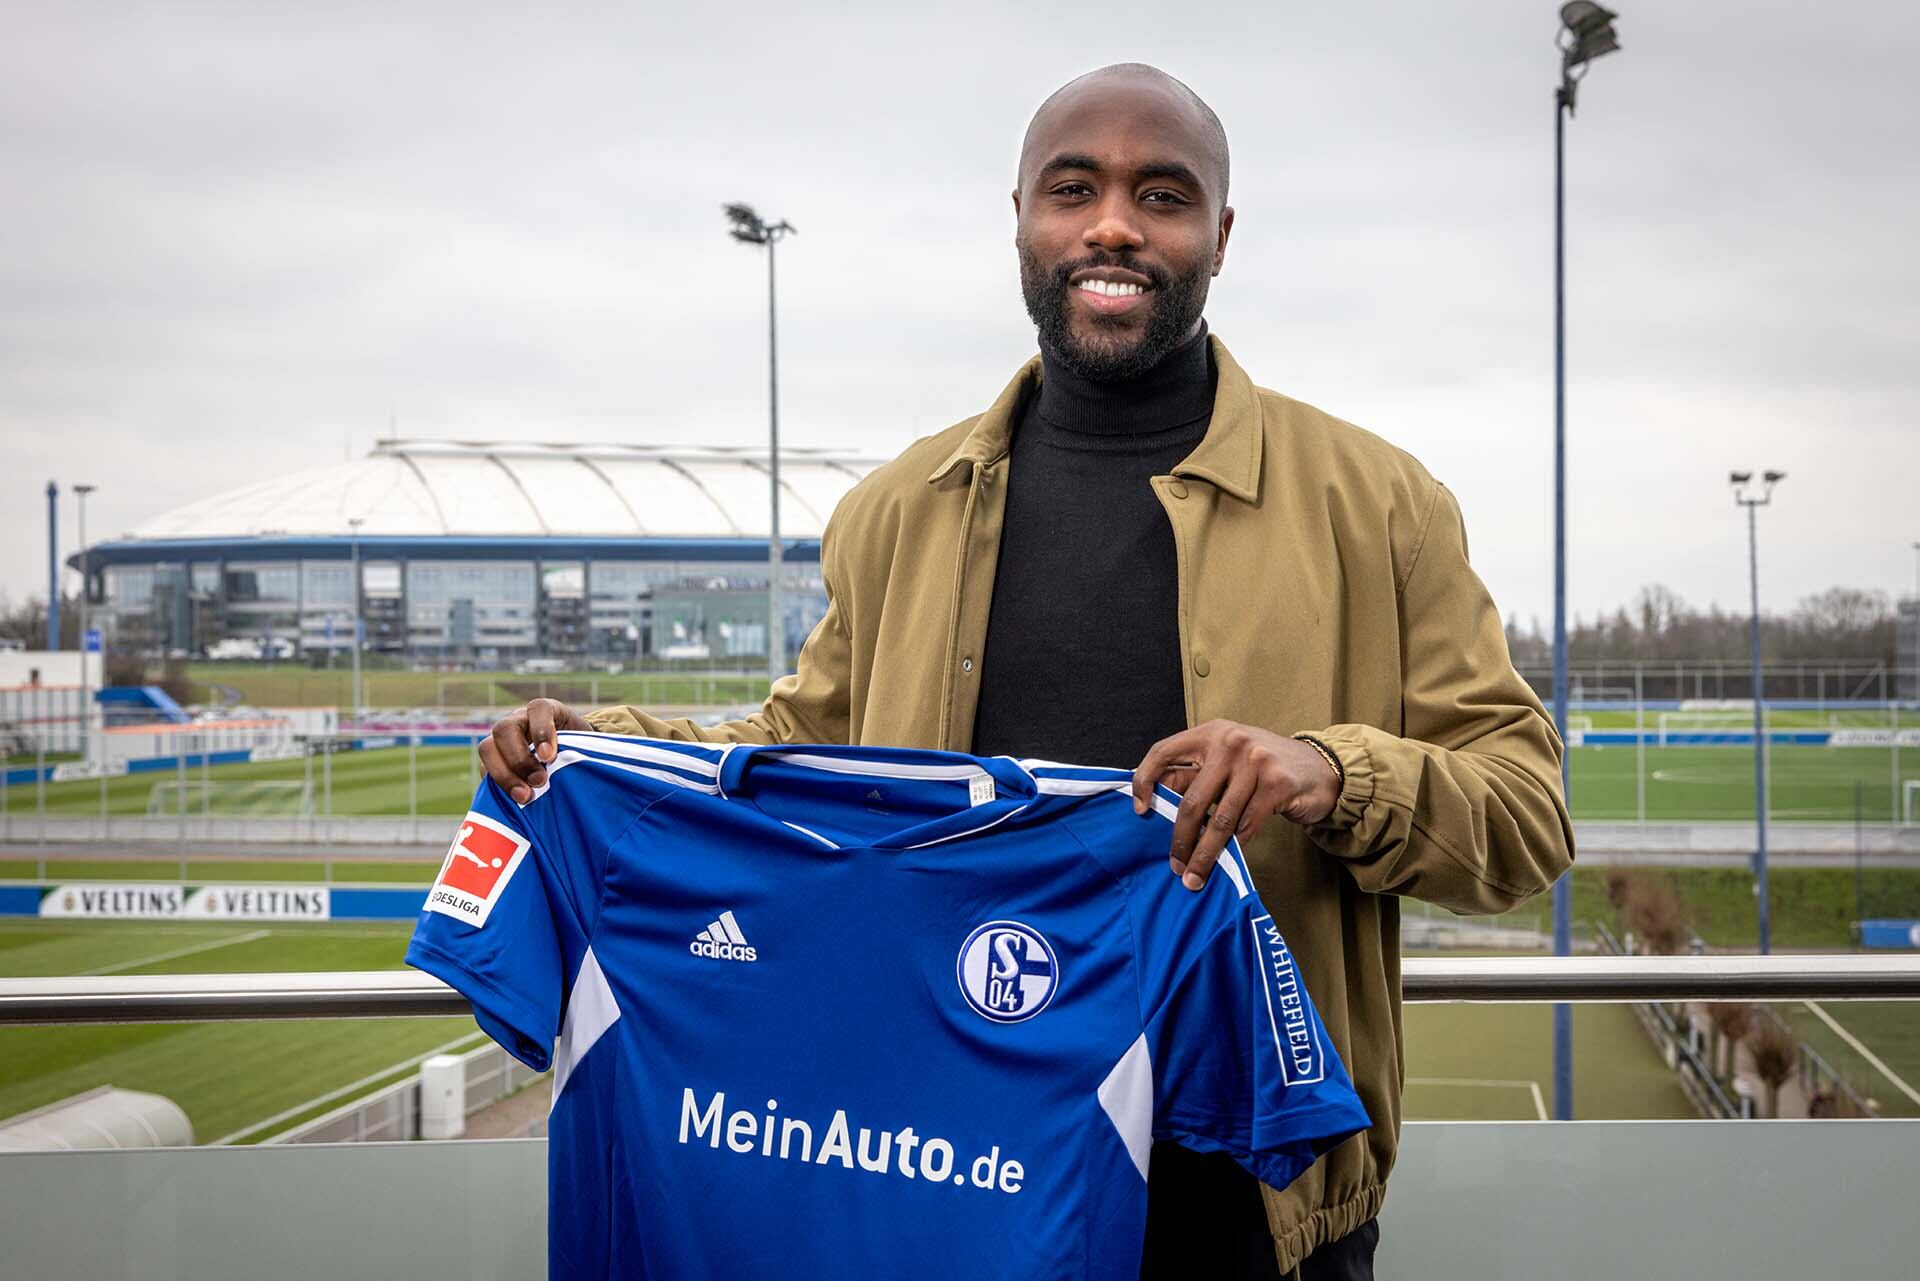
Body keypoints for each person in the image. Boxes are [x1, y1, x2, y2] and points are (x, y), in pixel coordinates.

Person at [480, 63, 1573, 1281]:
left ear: (1221, 232)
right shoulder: (899, 509)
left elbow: (1526, 815)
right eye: (1074, 189)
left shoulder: (1380, 507)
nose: (1114, 223)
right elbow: (789, 762)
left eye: (1163, 194)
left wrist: (1325, 770)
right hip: (952, 1178)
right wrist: (593, 743)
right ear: (1020, 216)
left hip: (1250, 1209)